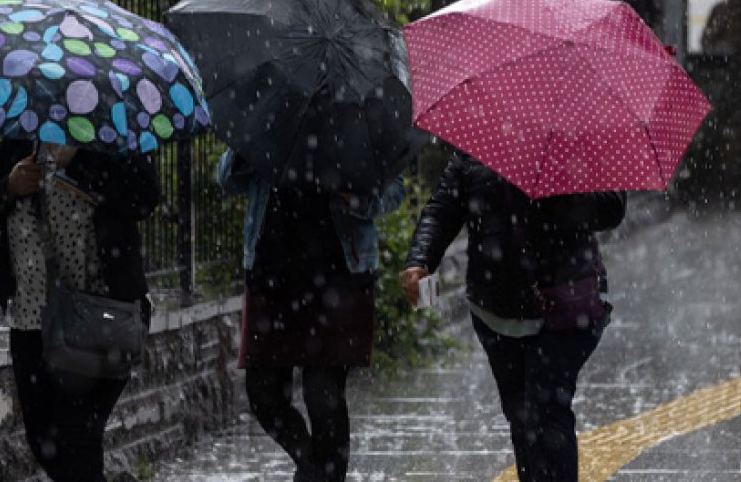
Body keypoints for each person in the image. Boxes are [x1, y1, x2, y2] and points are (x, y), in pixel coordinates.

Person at [402, 150, 626, 482]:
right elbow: (442, 210)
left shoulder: (577, 141)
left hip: (566, 303)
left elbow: (612, 207)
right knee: (521, 416)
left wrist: (555, 196)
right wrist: (419, 259)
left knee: (547, 411)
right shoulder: (475, 149)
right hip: (496, 308)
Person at [0, 139, 159, 482]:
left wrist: (80, 162)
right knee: (44, 442)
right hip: (32, 323)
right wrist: (7, 188)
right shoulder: (20, 146)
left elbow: (144, 198)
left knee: (78, 434)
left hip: (100, 319)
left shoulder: (109, 140)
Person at [217, 150, 405, 482]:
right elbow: (227, 180)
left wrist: (352, 197)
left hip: (338, 277)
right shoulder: (269, 124)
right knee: (263, 394)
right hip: (271, 276)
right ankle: (312, 470)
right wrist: (243, 149)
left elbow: (394, 191)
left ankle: (323, 476)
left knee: (323, 396)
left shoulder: (353, 126)